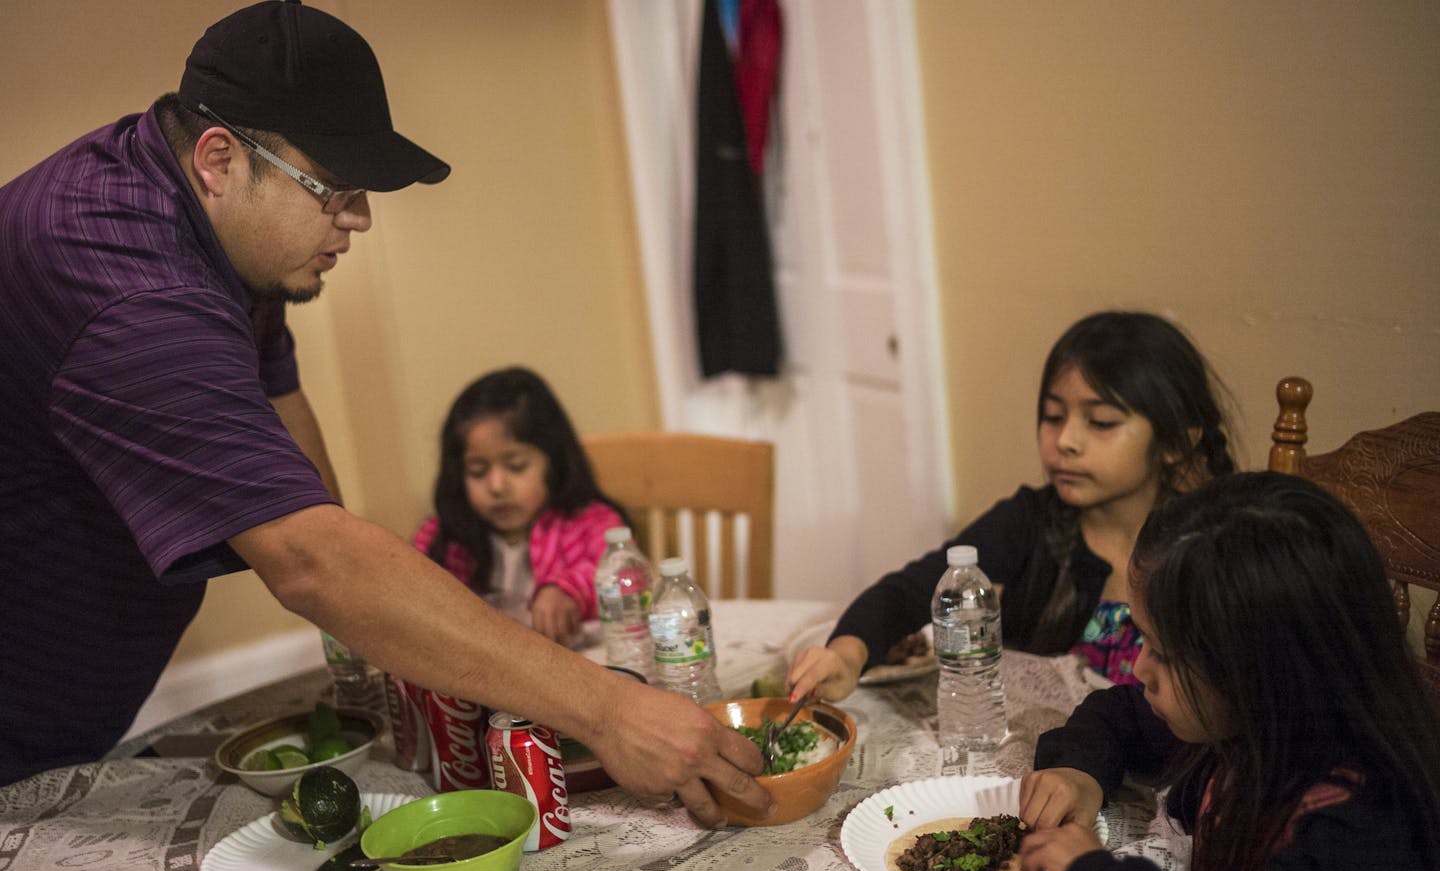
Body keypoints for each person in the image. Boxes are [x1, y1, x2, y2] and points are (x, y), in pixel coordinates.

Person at [0, 0, 772, 826]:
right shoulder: (128, 285)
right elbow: (309, 559)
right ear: (219, 158)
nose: (359, 220)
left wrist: (381, 626)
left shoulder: (203, 216)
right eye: (333, 190)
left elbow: (285, 426)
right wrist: (611, 710)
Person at [1016, 472, 1440, 871]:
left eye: (1164, 652)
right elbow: (1121, 714)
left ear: (1261, 670)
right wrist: (1079, 772)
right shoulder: (1253, 727)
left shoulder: (1358, 846)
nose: (1139, 668)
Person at [789, 311, 1234, 702]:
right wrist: (846, 655)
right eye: (1053, 416)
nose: (1065, 441)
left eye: (1100, 423)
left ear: (1176, 441)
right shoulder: (1030, 521)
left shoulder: (1212, 548)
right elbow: (905, 592)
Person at [414, 367, 628, 643]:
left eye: (516, 466)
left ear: (553, 461)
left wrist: (569, 590)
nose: (497, 486)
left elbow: (623, 576)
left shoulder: (590, 522)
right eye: (478, 471)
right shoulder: (442, 539)